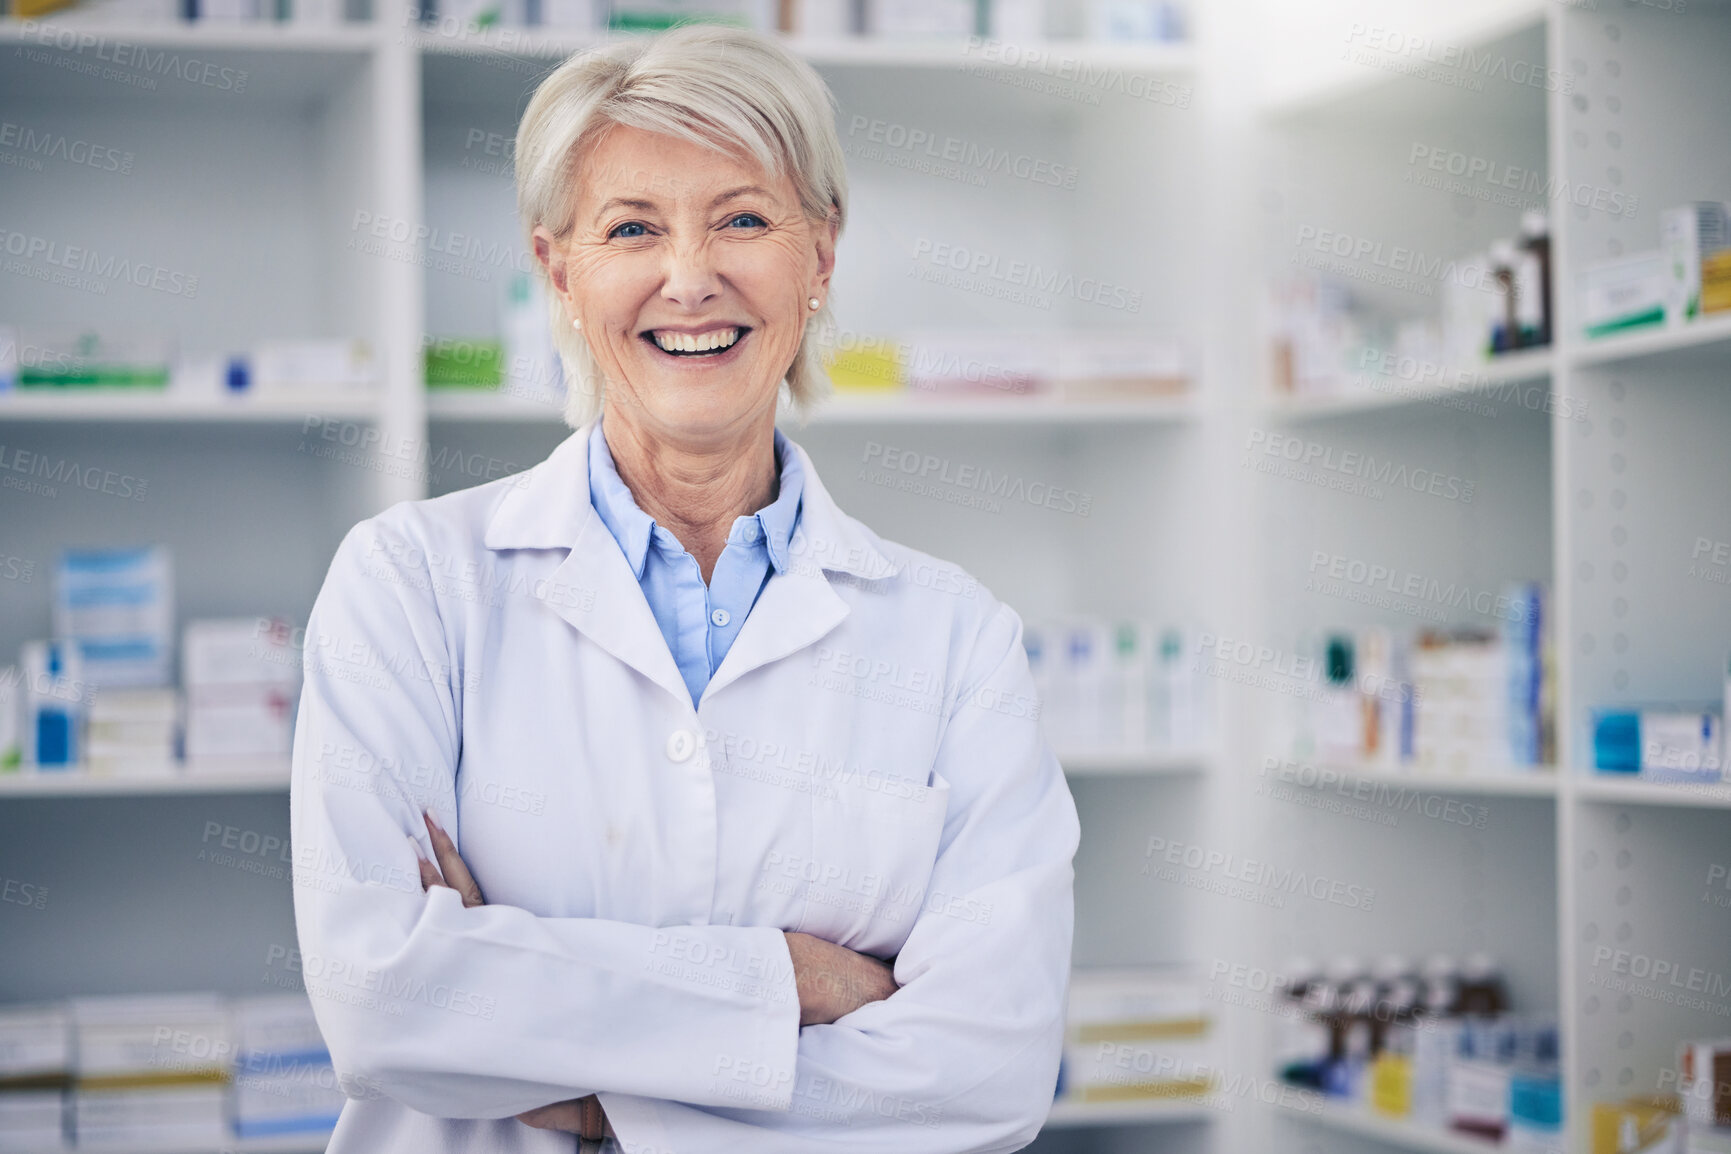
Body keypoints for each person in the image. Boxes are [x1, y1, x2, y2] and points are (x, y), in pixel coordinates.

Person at [290, 23, 1079, 1153]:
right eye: (632, 229)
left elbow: (988, 1070)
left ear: (822, 255)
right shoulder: (410, 583)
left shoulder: (955, 636)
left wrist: (583, 1084)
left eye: (744, 219)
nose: (691, 277)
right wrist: (795, 981)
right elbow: (382, 997)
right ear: (561, 270)